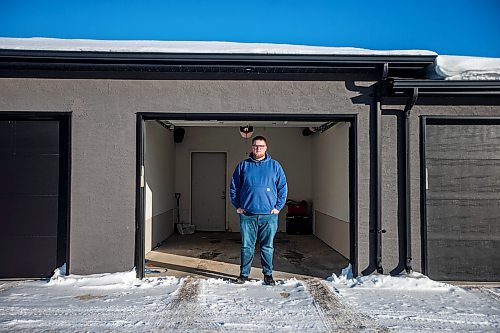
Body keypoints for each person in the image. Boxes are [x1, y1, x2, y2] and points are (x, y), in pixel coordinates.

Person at [230, 135, 288, 285]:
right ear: (252, 147)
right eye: (255, 146)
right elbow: (234, 187)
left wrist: (278, 207)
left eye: (261, 146)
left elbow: (282, 188)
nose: (258, 148)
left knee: (267, 247)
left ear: (266, 148)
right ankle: (244, 274)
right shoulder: (243, 166)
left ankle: (268, 274)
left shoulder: (275, 166)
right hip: (248, 215)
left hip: (269, 215)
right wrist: (238, 206)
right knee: (246, 247)